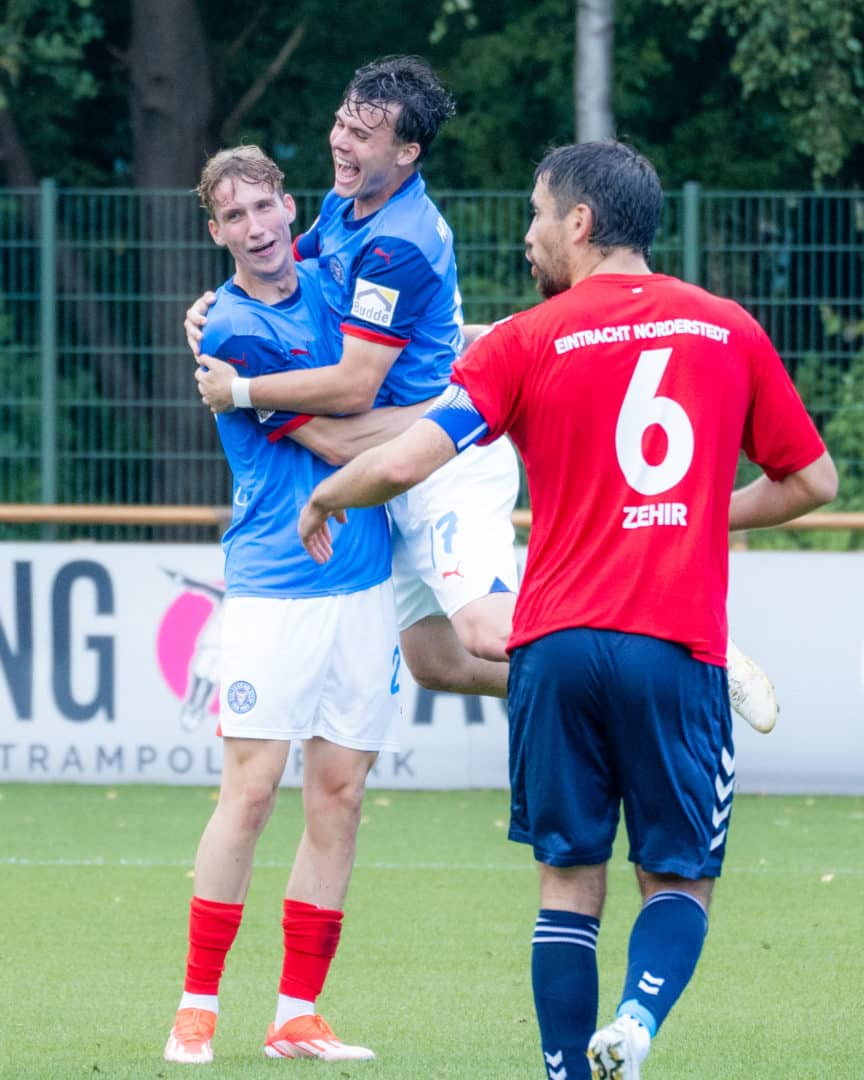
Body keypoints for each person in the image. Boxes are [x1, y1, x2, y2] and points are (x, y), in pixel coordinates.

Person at [296, 141, 838, 1078]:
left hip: (549, 646)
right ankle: (635, 1020)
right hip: (673, 642)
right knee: (678, 878)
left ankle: (562, 1072)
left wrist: (326, 496)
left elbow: (410, 458)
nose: (529, 233)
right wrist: (704, 513)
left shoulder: (525, 338)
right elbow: (812, 481)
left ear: (580, 224)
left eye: (540, 214)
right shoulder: (727, 328)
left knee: (567, 884)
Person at [184, 55, 779, 736]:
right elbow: (295, 268)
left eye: (362, 134)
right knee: (436, 659)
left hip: (444, 452)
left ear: (407, 152)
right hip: (399, 452)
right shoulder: (344, 205)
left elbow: (352, 389)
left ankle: (677, 657)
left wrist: (244, 388)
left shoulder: (399, 242)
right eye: (341, 122)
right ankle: (623, 690)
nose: (341, 142)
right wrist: (218, 309)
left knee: (484, 630)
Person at [163, 145, 418, 1066]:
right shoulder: (226, 328)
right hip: (276, 585)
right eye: (235, 218)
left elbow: (387, 353)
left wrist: (442, 398)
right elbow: (340, 435)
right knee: (253, 791)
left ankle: (297, 1013)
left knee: (340, 796)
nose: (258, 228)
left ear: (288, 204)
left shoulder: (332, 274)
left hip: (364, 584)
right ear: (215, 232)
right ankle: (198, 1004)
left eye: (266, 207)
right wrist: (449, 418)